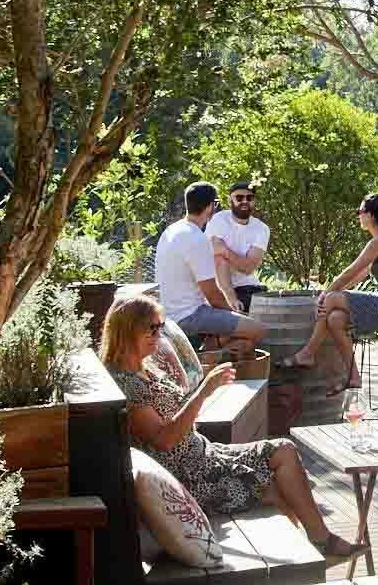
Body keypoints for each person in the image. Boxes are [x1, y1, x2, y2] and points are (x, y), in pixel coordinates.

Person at [100, 293, 363, 561]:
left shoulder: (147, 367)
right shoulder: (127, 384)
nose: (159, 334)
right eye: (152, 328)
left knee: (284, 449)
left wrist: (207, 385)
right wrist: (203, 391)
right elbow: (164, 439)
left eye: (161, 326)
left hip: (205, 454)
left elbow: (178, 413)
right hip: (191, 474)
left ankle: (318, 545)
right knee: (274, 487)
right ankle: (311, 555)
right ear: (128, 330)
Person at [292, 193, 378, 397]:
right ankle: (353, 377)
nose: (358, 215)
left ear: (372, 216)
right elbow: (360, 274)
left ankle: (308, 353)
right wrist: (337, 291)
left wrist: (328, 292)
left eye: (361, 211)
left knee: (330, 299)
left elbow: (350, 271)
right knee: (335, 319)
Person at [154, 182, 267, 352]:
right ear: (210, 207)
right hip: (189, 316)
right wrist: (234, 314)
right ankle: (208, 355)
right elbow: (213, 294)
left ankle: (211, 351)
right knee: (258, 330)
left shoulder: (171, 231)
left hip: (169, 312)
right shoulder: (196, 238)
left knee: (240, 331)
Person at [205, 179, 270, 314]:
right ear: (230, 200)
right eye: (239, 198)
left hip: (248, 288)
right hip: (219, 289)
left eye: (249, 197)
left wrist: (225, 251)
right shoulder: (218, 220)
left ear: (254, 201)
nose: (244, 201)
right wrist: (230, 296)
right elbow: (218, 259)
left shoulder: (262, 229)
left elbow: (248, 268)